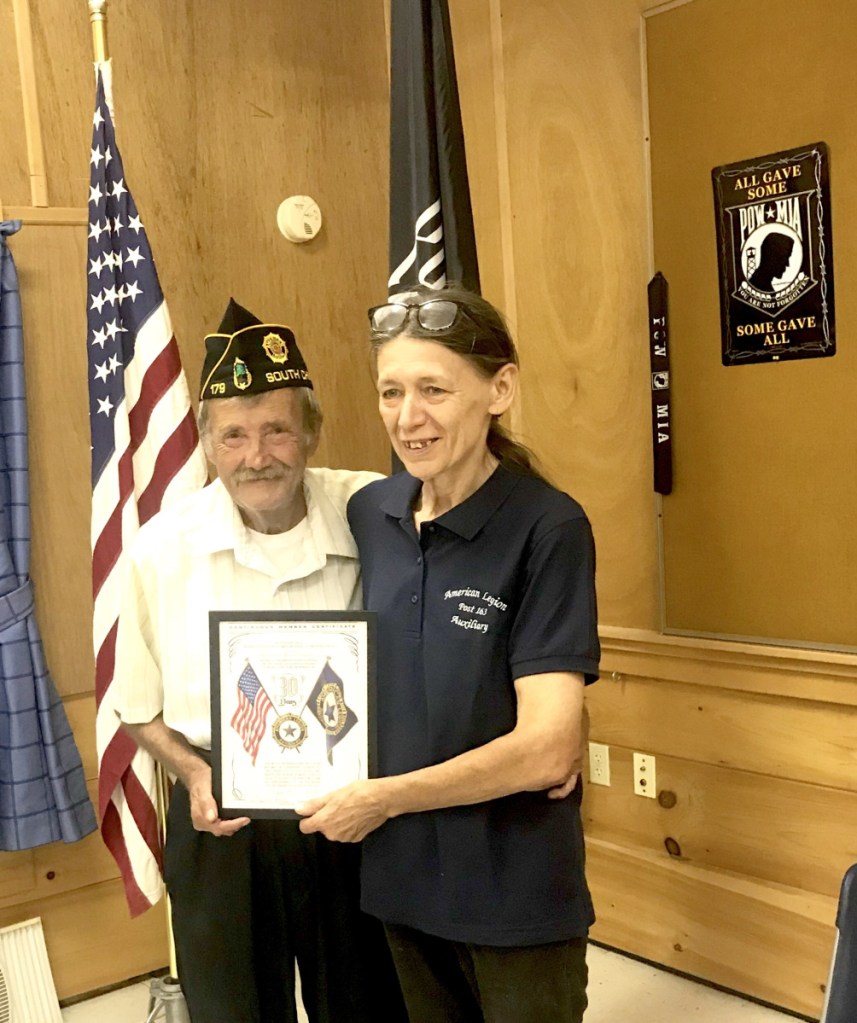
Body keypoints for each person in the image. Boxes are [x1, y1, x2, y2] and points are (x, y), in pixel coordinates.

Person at [298, 285, 600, 1023]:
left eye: (434, 389)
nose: (408, 417)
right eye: (390, 391)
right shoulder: (372, 512)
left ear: (499, 389)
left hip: (512, 886)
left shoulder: (547, 527)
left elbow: (547, 749)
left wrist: (383, 797)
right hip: (401, 881)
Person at [115, 299, 406, 1023]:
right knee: (233, 1008)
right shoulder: (161, 548)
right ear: (210, 444)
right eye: (235, 434)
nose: (257, 454)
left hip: (348, 808)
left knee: (367, 999)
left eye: (277, 428)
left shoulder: (373, 510)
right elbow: (136, 704)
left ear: (310, 431)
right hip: (222, 813)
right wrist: (192, 772)